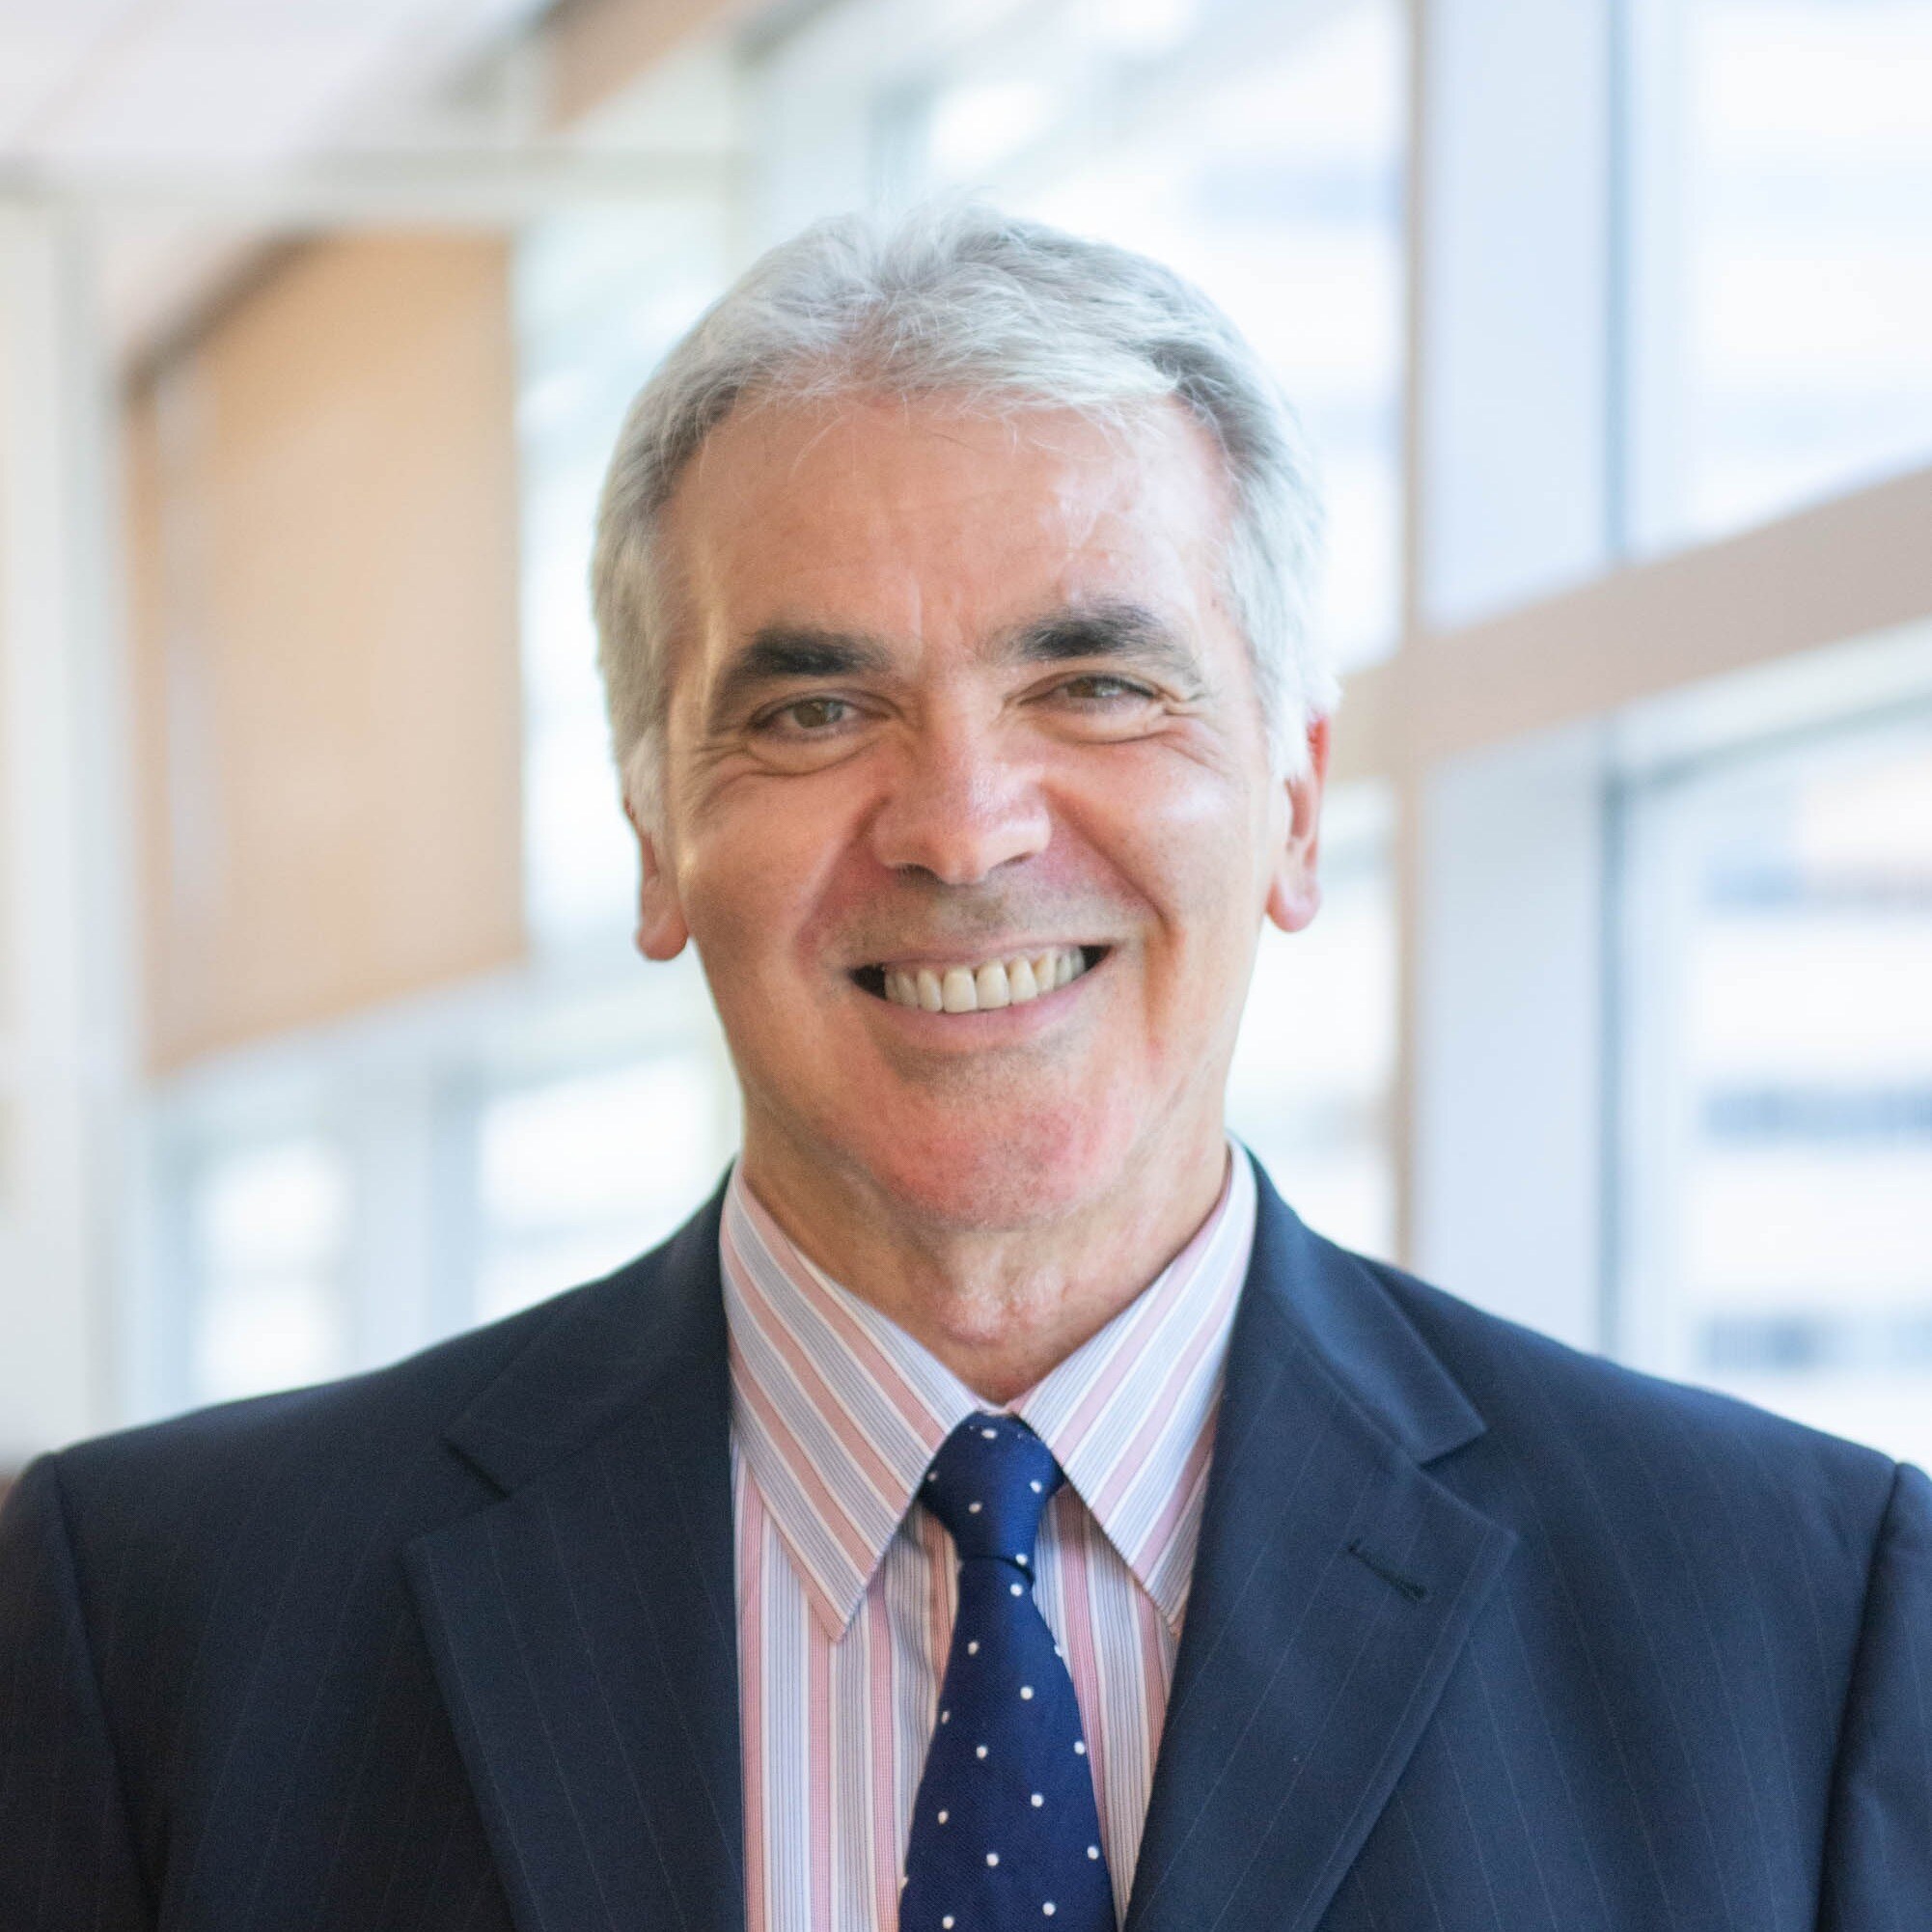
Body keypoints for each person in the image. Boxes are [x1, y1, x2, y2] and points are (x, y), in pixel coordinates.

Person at [1, 204, 1926, 1932]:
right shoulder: (161, 1618)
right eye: (815, 707)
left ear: (1294, 801)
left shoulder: (1799, 1616)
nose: (961, 826)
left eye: (1095, 684)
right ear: (657, 836)